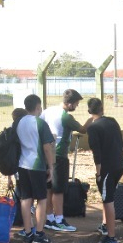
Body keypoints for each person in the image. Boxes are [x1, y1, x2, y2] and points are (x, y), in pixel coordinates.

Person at [41, 89, 84, 232]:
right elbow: (82, 129)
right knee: (59, 189)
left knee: (49, 187)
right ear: (70, 103)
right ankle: (59, 219)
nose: (76, 107)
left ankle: (49, 217)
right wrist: (94, 118)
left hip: (46, 153)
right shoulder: (66, 117)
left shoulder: (48, 111)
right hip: (59, 155)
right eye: (76, 104)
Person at [84, 97, 123, 243]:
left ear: (89, 112)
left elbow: (97, 153)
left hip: (107, 167)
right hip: (119, 163)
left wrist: (98, 172)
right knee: (107, 195)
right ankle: (105, 224)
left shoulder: (93, 128)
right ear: (102, 109)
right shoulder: (112, 121)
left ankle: (111, 236)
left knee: (108, 199)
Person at [15, 94, 55, 243]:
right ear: (38, 107)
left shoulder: (18, 122)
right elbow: (47, 147)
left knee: (26, 199)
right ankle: (39, 233)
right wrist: (51, 166)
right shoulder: (40, 123)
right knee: (42, 199)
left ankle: (27, 232)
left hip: (22, 164)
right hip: (37, 165)